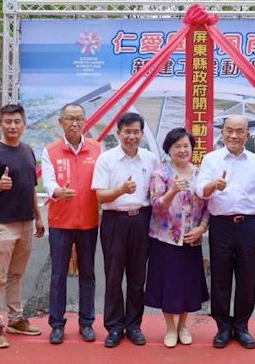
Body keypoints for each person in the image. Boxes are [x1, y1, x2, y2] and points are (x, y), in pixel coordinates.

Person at [196, 115, 255, 349]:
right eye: (229, 130)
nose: (234, 135)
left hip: (249, 225)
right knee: (220, 277)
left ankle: (241, 326)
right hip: (220, 225)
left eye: (239, 131)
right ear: (222, 133)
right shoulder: (211, 159)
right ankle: (222, 327)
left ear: (248, 135)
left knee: (247, 277)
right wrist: (213, 186)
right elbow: (200, 190)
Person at [0, 104, 45, 348]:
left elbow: (30, 189)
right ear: (0, 124)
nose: (13, 126)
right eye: (8, 121)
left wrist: (38, 217)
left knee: (16, 275)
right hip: (3, 225)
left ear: (24, 124)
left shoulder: (28, 151)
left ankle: (16, 319)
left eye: (17, 121)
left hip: (26, 222)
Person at [91, 112, 158, 348]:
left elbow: (156, 192)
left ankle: (134, 325)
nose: (132, 136)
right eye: (127, 132)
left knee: (138, 276)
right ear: (118, 133)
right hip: (114, 221)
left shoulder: (150, 159)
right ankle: (115, 327)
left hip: (142, 220)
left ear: (141, 133)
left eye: (136, 132)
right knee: (114, 275)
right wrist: (120, 190)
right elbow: (100, 196)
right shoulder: (106, 159)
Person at [41, 103, 101, 344]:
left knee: (88, 273)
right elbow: (47, 182)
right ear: (61, 122)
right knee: (58, 275)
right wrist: (57, 191)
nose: (74, 123)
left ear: (85, 121)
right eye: (69, 118)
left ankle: (87, 322)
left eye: (78, 118)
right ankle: (56, 324)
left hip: (89, 222)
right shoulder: (50, 151)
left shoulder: (97, 149)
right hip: (61, 222)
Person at [145, 128, 209, 348]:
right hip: (166, 239)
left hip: (192, 239)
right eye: (177, 146)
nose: (182, 150)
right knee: (169, 284)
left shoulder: (201, 174)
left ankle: (183, 326)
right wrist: (172, 191)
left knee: (188, 284)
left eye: (186, 146)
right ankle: (170, 327)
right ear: (168, 150)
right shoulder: (160, 173)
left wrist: (202, 228)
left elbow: (209, 206)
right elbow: (155, 207)